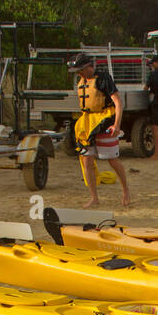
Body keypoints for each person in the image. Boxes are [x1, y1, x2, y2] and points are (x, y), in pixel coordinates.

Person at [68, 52, 129, 208]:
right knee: (86, 159)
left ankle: (126, 191)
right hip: (87, 123)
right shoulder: (82, 81)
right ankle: (94, 197)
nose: (80, 73)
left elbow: (118, 102)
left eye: (81, 70)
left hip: (104, 121)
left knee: (112, 160)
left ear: (89, 66)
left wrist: (117, 124)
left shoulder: (103, 79)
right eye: (78, 71)